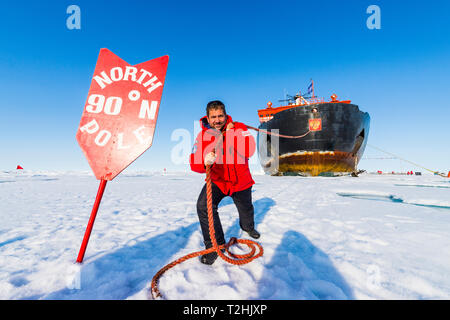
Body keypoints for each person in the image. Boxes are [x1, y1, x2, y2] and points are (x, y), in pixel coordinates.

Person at [190, 100, 260, 265]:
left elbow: (249, 150)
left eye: (220, 115)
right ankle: (215, 246)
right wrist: (205, 161)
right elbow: (194, 163)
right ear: (208, 117)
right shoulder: (202, 136)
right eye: (213, 117)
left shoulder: (240, 128)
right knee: (203, 206)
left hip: (240, 180)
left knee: (246, 210)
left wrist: (230, 134)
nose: (217, 120)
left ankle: (248, 227)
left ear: (225, 115)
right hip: (218, 180)